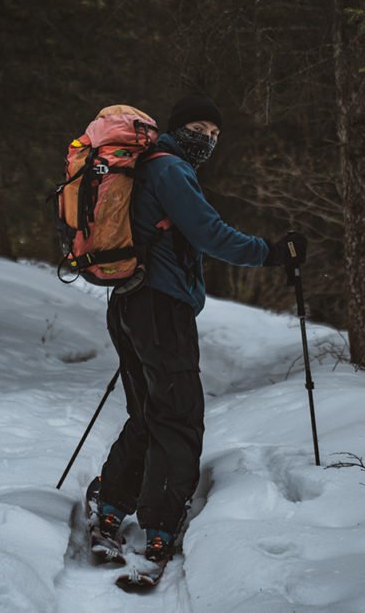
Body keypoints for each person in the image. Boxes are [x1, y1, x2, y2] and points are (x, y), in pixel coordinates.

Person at [93, 94, 307, 567]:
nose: (207, 140)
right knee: (178, 416)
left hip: (129, 302)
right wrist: (271, 253)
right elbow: (211, 233)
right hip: (161, 307)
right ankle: (160, 524)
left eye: (215, 135)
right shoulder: (170, 170)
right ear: (177, 128)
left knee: (149, 412)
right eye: (200, 129)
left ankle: (110, 505)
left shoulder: (147, 166)